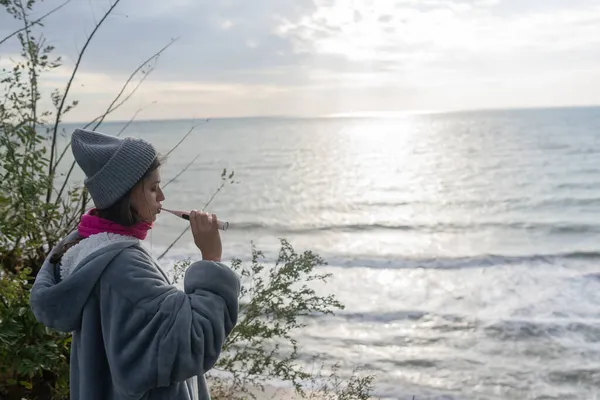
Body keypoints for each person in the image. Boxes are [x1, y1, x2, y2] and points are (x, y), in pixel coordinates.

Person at [30, 128, 240, 400]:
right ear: (125, 193)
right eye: (153, 188)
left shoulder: (88, 249)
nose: (162, 197)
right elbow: (191, 343)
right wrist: (211, 260)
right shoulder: (122, 267)